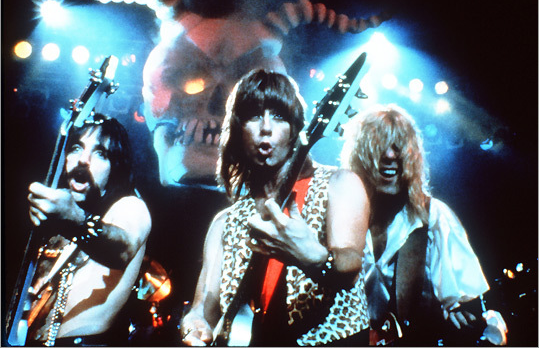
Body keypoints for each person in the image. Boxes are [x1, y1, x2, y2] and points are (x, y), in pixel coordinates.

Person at [179, 69, 371, 346]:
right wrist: (193, 325)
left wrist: (313, 256)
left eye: (279, 116)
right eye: (254, 116)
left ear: (295, 128)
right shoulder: (226, 222)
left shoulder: (339, 184)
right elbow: (202, 309)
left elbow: (350, 262)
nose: (266, 127)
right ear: (238, 129)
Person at [340, 103, 508, 346]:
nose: (390, 156)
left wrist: (463, 316)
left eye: (398, 147)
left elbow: (470, 306)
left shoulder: (434, 216)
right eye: (379, 146)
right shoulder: (341, 218)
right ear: (360, 157)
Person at [21, 113, 152, 346]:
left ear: (115, 168)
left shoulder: (130, 206)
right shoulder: (55, 219)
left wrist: (76, 220)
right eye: (76, 148)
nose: (83, 160)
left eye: (100, 153)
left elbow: (122, 249)